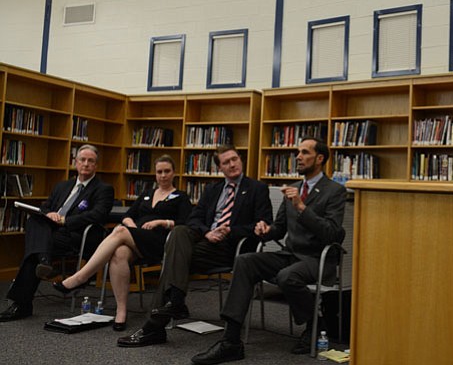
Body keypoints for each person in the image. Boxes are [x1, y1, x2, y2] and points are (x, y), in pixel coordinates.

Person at [190, 137, 347, 364]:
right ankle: (231, 341)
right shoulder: (294, 188)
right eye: (298, 152)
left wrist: (302, 208)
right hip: (291, 256)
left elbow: (332, 233)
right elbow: (280, 228)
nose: (298, 157)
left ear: (320, 158)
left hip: (318, 259)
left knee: (286, 276)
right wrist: (265, 230)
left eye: (304, 152)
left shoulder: (334, 191)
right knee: (245, 261)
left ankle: (316, 323)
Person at [117, 144, 273, 347]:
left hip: (231, 247)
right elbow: (194, 219)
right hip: (206, 241)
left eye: (235, 159)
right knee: (179, 231)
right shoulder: (212, 189)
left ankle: (156, 324)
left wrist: (229, 230)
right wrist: (207, 232)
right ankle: (174, 303)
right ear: (220, 168)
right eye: (226, 162)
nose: (232, 164)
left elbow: (264, 223)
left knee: (173, 259)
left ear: (240, 160)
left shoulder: (256, 188)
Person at [52, 154, 192, 331]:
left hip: (162, 242)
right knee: (119, 253)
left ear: (174, 173)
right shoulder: (147, 194)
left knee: (118, 231)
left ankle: (80, 277)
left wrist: (162, 222)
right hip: (137, 238)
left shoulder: (181, 196)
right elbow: (128, 215)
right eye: (159, 172)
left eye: (166, 171)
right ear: (155, 174)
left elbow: (186, 225)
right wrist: (131, 225)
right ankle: (121, 311)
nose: (163, 175)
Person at [0, 144, 115, 322]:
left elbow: (97, 215)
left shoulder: (103, 189)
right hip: (52, 233)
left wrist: (64, 220)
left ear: (96, 166)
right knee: (35, 221)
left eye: (90, 161)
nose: (85, 164)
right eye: (82, 160)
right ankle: (43, 259)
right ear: (75, 163)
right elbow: (45, 207)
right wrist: (49, 214)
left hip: (76, 235)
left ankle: (22, 304)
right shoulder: (63, 185)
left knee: (37, 246)